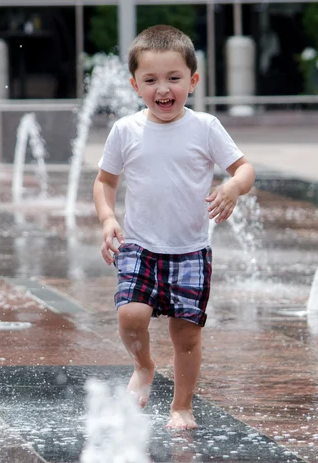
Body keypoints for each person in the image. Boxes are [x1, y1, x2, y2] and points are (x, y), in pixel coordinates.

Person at [93, 25, 256, 430]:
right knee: (130, 316)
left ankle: (182, 406)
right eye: (150, 80)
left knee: (186, 335)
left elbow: (244, 168)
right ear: (135, 85)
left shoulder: (205, 127)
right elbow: (104, 181)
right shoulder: (125, 131)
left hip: (189, 250)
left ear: (192, 80)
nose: (162, 89)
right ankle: (144, 365)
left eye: (173, 78)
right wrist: (108, 218)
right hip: (140, 246)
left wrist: (233, 186)